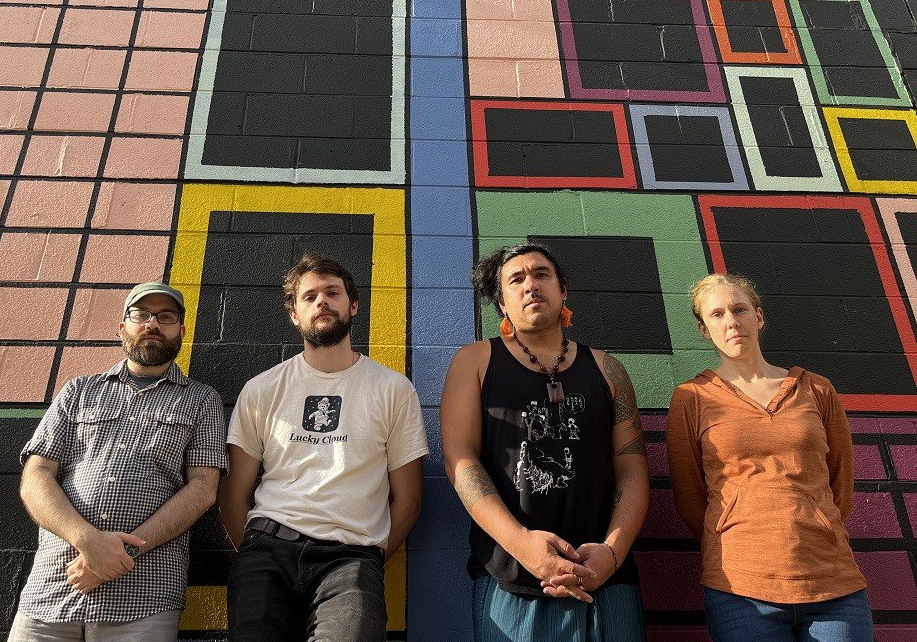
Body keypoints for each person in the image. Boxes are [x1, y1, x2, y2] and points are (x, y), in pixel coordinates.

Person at [440, 243, 649, 642]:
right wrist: (523, 546)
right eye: (516, 280)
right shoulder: (475, 362)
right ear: (502, 304)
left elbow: (632, 466)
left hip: (606, 577)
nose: (530, 285)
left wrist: (612, 552)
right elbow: (459, 460)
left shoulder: (608, 369)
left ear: (563, 289)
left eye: (541, 275)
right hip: (512, 577)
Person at [220, 253, 429, 642]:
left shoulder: (393, 389)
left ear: (352, 306)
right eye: (309, 296)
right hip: (266, 550)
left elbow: (410, 499)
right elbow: (234, 493)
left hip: (351, 558)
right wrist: (250, 553)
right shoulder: (263, 389)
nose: (322, 302)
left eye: (332, 293)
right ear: (295, 315)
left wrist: (371, 556)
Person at [10, 282, 228, 641]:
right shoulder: (78, 390)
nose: (153, 324)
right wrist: (87, 541)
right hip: (51, 592)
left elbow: (204, 489)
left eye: (166, 317)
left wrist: (117, 554)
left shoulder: (202, 400)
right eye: (141, 314)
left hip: (145, 599)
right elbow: (36, 474)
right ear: (122, 327)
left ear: (182, 332)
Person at [667, 273, 872, 642]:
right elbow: (689, 496)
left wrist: (816, 522)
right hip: (739, 587)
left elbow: (841, 481)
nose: (731, 321)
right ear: (703, 330)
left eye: (740, 309)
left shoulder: (816, 389)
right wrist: (735, 535)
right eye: (717, 314)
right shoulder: (691, 398)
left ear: (759, 317)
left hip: (831, 580)